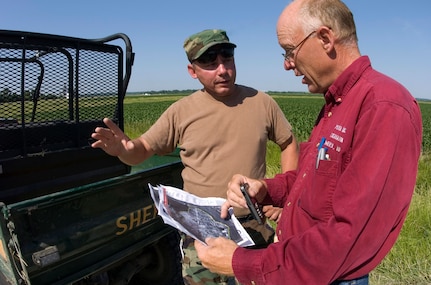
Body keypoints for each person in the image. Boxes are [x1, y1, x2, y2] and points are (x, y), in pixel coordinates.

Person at [193, 1, 423, 284]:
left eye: (290, 50)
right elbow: (313, 182)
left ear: (325, 39)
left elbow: (347, 237)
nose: (287, 64)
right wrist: (265, 189)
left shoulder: (383, 106)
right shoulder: (336, 103)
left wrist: (240, 262)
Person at [91, 28, 299, 285]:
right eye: (210, 63)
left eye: (227, 59)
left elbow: (288, 142)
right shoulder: (181, 111)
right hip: (202, 234)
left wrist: (284, 195)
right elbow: (143, 148)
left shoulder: (261, 102)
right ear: (193, 71)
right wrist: (125, 150)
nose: (222, 70)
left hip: (252, 228)